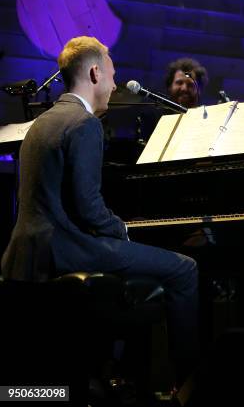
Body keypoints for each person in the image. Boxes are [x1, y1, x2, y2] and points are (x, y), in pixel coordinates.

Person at [1, 36, 199, 388]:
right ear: (94, 73)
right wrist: (120, 227)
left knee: (144, 266)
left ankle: (127, 374)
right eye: (112, 75)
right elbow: (90, 208)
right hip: (67, 251)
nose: (114, 84)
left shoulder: (43, 122)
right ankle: (186, 386)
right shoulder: (84, 123)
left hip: (24, 253)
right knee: (184, 269)